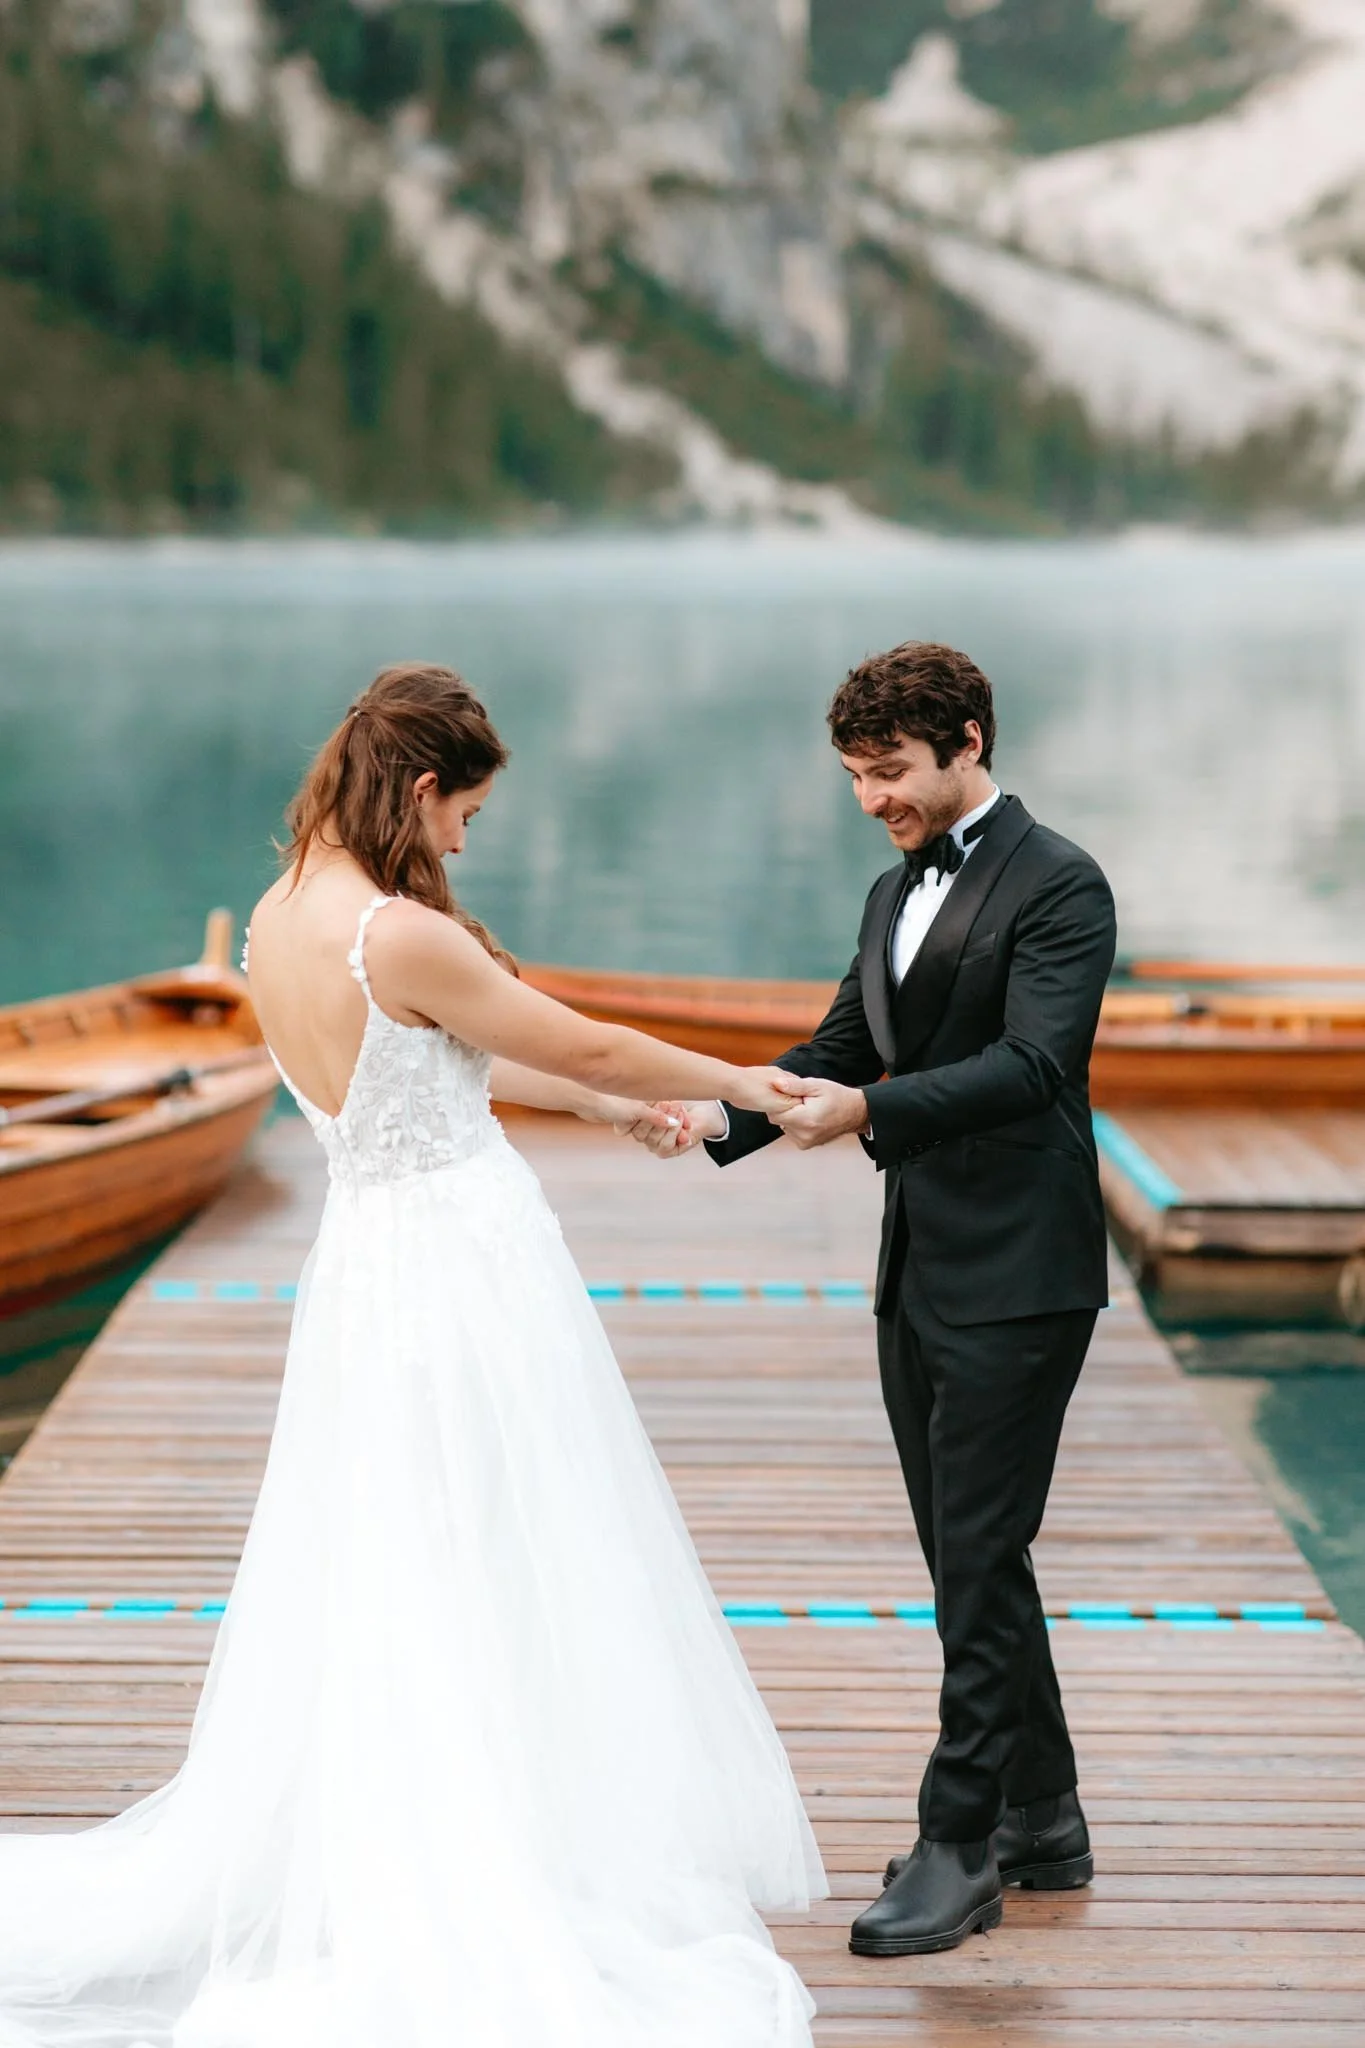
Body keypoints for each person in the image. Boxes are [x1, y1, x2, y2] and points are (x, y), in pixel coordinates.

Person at [0, 664, 825, 2048]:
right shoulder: (400, 933)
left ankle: (431, 1821)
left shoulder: (273, 923)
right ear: (423, 789)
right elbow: (578, 1033)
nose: (465, 844)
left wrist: (603, 1112)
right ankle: (476, 1862)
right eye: (468, 817)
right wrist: (744, 1082)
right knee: (492, 1546)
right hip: (462, 1272)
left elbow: (461, 1062)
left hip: (368, 1274)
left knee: (404, 1549)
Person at [634, 641, 1116, 1959]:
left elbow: (1034, 1066)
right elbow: (839, 1050)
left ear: (966, 740)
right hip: (919, 1271)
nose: (872, 799)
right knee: (972, 1557)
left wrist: (869, 1114)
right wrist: (712, 1120)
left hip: (1024, 1274)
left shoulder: (1062, 882)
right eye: (854, 776)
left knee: (975, 1551)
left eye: (890, 772)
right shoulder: (887, 889)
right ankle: (1046, 1817)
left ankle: (960, 1844)